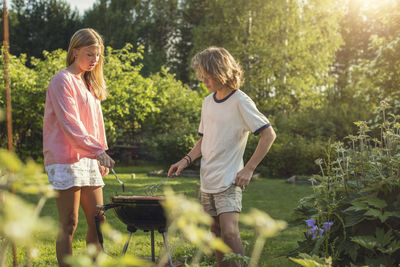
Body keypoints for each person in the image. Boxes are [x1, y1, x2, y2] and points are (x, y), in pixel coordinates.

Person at [168, 47, 276, 267]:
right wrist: (185, 161)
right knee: (216, 232)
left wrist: (249, 169)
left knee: (230, 232)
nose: (204, 81)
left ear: (221, 72)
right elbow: (204, 140)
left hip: (229, 178)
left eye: (207, 76)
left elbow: (269, 134)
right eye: (202, 76)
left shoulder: (240, 101)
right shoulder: (207, 102)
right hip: (208, 178)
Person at [43, 28, 115, 267]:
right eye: (89, 54)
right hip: (65, 159)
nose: (94, 60)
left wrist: (100, 153)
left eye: (97, 55)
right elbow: (69, 124)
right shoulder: (61, 79)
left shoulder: (89, 84)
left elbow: (96, 124)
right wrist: (97, 151)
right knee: (69, 222)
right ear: (74, 52)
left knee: (99, 219)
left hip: (89, 157)